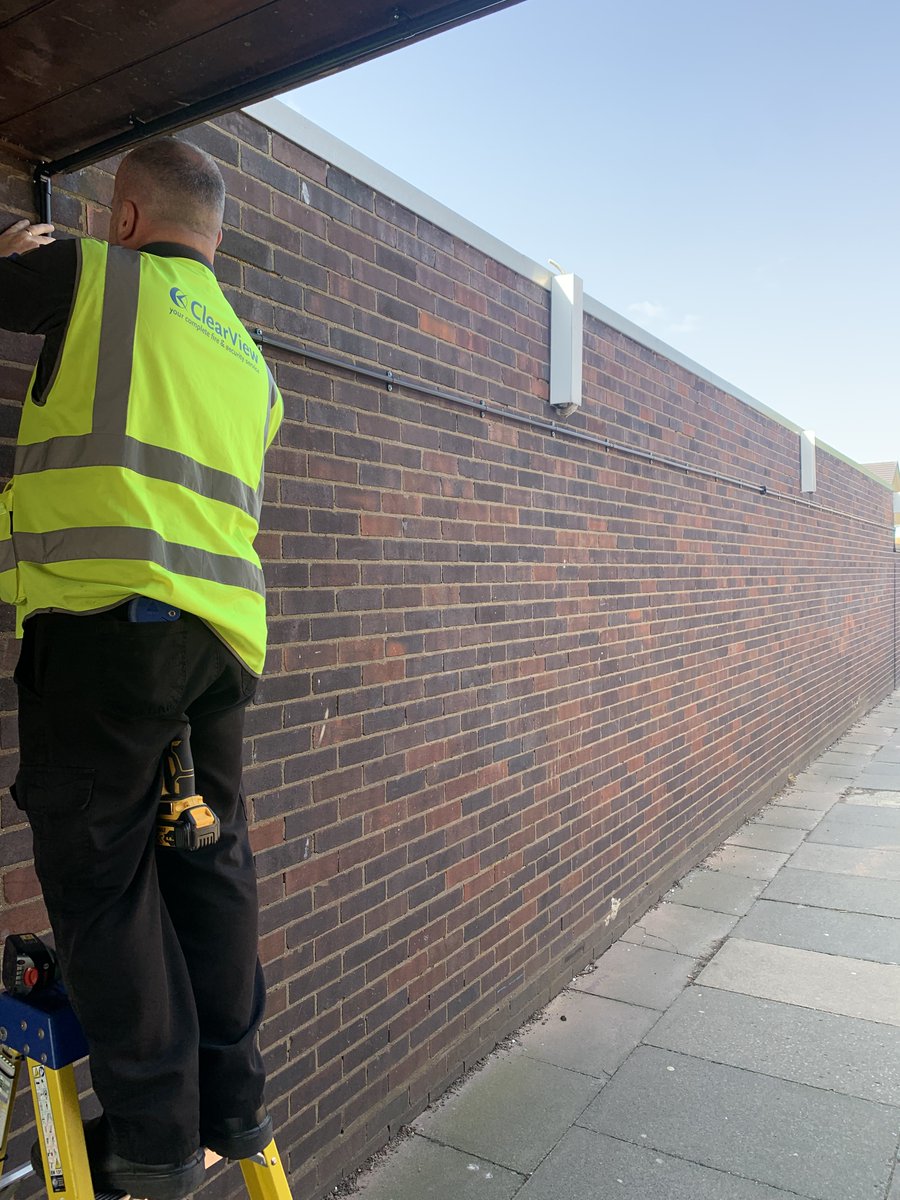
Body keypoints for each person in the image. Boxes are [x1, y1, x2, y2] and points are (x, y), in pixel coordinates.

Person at [0, 138, 284, 1200]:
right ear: (211, 235)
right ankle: (234, 1102)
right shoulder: (253, 362)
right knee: (206, 861)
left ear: (124, 217)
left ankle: (155, 1142)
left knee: (104, 872)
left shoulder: (92, 273)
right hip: (218, 645)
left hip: (108, 630)